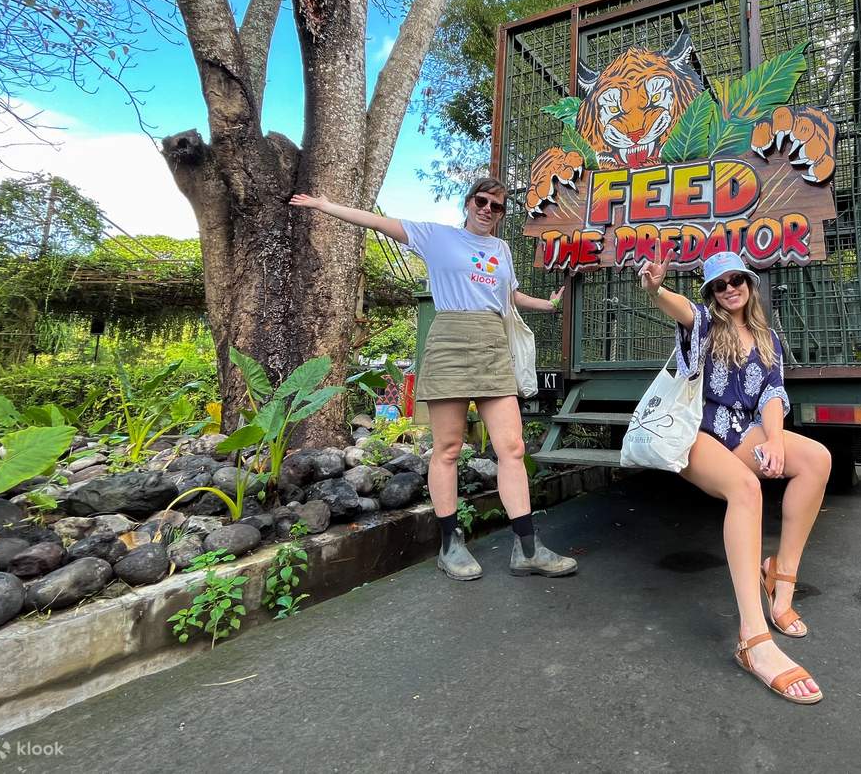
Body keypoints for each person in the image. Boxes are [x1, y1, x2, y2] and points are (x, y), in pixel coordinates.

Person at [290, 178, 578, 581]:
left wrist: (546, 305)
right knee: (447, 448)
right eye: (482, 201)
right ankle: (449, 544)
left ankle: (527, 548)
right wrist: (325, 204)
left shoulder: (501, 249)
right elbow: (377, 222)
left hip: (492, 343)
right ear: (468, 202)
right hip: (449, 340)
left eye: (496, 207)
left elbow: (509, 296)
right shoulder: (435, 236)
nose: (487, 210)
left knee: (512, 448)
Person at [639, 250, 830, 705]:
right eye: (719, 284)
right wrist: (654, 290)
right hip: (693, 428)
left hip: (742, 430)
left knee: (817, 459)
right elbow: (680, 309)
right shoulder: (706, 322)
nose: (729, 289)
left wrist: (777, 441)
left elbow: (772, 392)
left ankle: (780, 578)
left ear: (749, 282)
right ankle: (753, 639)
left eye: (735, 280)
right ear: (711, 292)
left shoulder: (766, 336)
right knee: (746, 489)